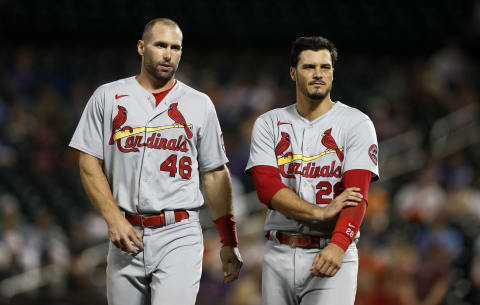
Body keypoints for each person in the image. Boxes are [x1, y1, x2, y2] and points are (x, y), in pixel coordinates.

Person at [69, 18, 243, 305]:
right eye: (160, 45)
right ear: (141, 47)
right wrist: (112, 218)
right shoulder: (108, 97)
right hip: (126, 233)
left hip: (180, 232)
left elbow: (214, 173)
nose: (168, 54)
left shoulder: (199, 103)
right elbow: (88, 162)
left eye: (175, 47)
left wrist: (229, 240)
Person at [246, 36, 379, 305]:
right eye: (309, 67)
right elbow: (267, 188)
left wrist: (339, 244)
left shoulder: (356, 123)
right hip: (278, 252)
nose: (318, 74)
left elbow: (357, 196)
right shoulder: (269, 123)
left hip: (329, 249)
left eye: (325, 67)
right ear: (293, 73)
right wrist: (319, 211)